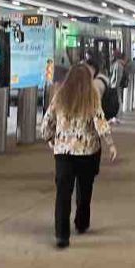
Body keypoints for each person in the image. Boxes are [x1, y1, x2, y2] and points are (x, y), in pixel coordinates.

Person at [42, 63, 116, 249]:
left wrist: (50, 139)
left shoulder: (59, 96)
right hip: (87, 152)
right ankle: (81, 222)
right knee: (85, 189)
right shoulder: (91, 97)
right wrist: (111, 144)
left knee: (63, 194)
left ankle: (62, 235)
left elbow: (47, 122)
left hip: (63, 153)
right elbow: (101, 123)